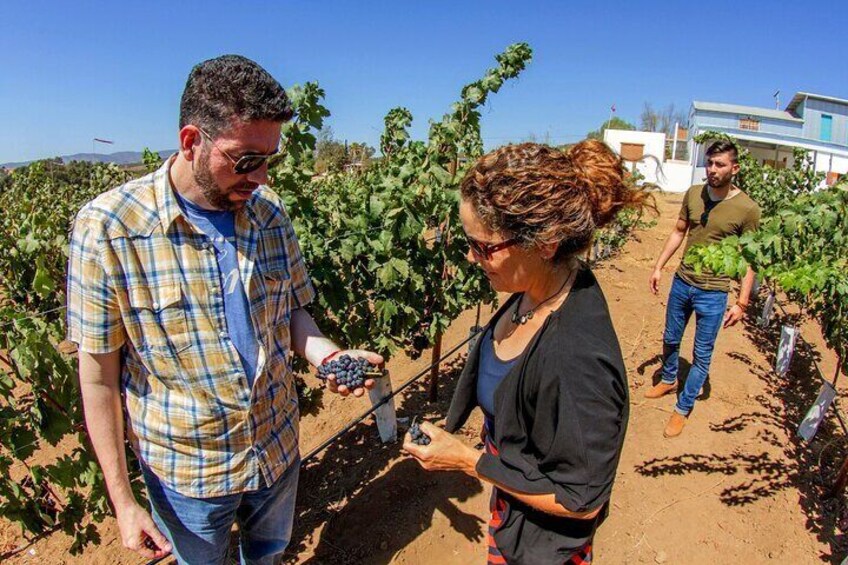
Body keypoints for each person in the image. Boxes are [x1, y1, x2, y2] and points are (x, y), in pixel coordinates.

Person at [66, 55, 381, 564]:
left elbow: (293, 314)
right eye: (245, 159)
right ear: (192, 141)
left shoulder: (269, 211)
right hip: (189, 473)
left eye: (268, 159)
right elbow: (99, 376)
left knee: (269, 555)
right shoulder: (108, 229)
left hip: (276, 445)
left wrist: (327, 356)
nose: (259, 176)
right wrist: (122, 500)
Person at [403, 141, 649, 564]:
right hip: (513, 513)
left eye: (483, 246)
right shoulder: (539, 287)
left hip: (543, 551)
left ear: (546, 243)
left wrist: (467, 461)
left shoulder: (578, 358)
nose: (470, 255)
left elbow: (581, 499)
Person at [645, 140, 760, 438]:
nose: (712, 170)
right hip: (682, 283)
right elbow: (679, 231)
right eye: (709, 163)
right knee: (670, 337)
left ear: (734, 168)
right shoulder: (694, 194)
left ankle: (682, 408)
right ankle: (669, 378)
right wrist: (659, 266)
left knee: (702, 354)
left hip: (714, 293)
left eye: (720, 164)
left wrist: (742, 302)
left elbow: (750, 259)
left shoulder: (747, 209)